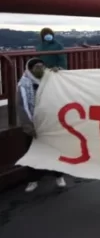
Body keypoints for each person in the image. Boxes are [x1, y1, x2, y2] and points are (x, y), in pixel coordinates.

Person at [17, 58, 66, 192]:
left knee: (55, 150)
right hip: (34, 124)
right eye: (37, 67)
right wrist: (27, 125)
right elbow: (22, 106)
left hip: (50, 122)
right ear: (30, 69)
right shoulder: (24, 85)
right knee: (33, 152)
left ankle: (59, 176)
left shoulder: (50, 79)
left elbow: (65, 82)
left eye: (42, 67)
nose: (40, 70)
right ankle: (33, 180)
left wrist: (60, 72)